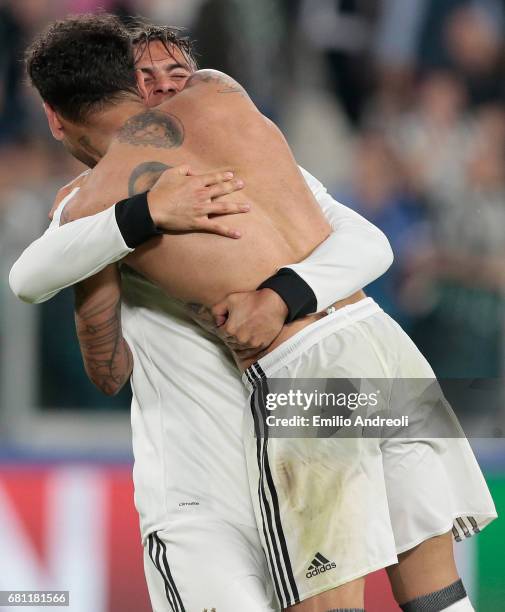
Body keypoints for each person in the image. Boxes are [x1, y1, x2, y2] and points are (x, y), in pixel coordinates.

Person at [10, 17, 395, 612]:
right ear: (131, 91)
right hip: (198, 501)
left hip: (292, 463)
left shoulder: (252, 164)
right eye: (150, 77)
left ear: (52, 115)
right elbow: (41, 291)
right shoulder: (83, 214)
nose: (167, 91)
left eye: (178, 75)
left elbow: (369, 243)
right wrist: (146, 214)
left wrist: (279, 296)